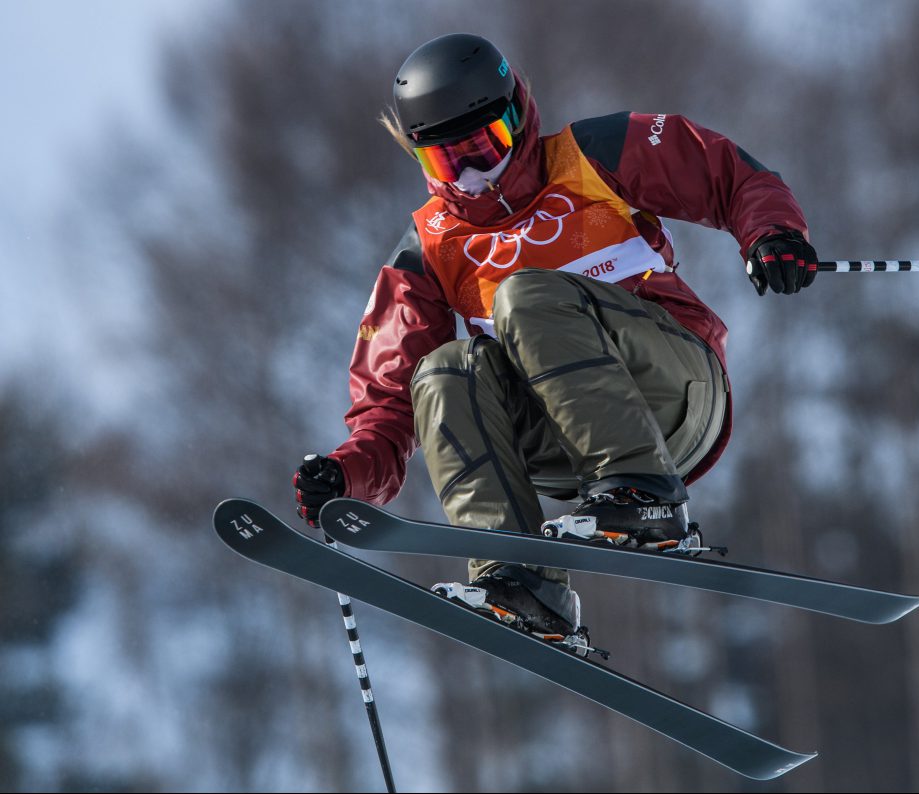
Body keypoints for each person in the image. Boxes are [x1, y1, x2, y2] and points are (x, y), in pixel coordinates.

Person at [294, 33, 816, 645]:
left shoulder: (591, 155)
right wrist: (348, 474)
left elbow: (726, 173)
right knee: (441, 371)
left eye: (486, 147)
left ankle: (641, 490)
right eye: (448, 161)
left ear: (517, 115)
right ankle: (519, 581)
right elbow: (388, 405)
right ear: (422, 160)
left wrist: (772, 234)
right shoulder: (429, 249)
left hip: (674, 392)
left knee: (524, 295)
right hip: (563, 450)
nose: (474, 174)